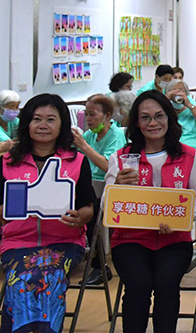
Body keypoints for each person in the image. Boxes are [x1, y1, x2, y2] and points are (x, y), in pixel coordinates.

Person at [0, 93, 96, 333]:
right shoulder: (9, 161)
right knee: (22, 277)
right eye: (36, 119)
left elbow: (88, 208)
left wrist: (80, 217)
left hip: (64, 242)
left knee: (49, 276)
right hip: (17, 242)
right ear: (27, 123)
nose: (43, 125)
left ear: (62, 124)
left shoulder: (76, 161)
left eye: (50, 119)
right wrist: (18, 208)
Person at [105, 91, 196, 333]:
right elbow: (106, 205)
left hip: (174, 239)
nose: (153, 123)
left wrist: (181, 220)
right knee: (138, 285)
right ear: (136, 122)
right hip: (130, 239)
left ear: (169, 118)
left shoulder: (189, 155)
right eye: (145, 117)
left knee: (167, 284)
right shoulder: (121, 158)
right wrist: (117, 185)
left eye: (159, 116)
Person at [73, 94, 127, 284]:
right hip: (91, 185)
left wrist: (84, 146)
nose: (88, 119)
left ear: (108, 115)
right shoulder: (90, 135)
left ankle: (99, 266)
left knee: (91, 212)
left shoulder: (116, 135)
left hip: (111, 186)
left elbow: (108, 167)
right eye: (86, 114)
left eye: (93, 114)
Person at [164, 79, 196, 149]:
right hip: (173, 148)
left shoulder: (193, 109)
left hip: (195, 147)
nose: (178, 93)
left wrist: (189, 105)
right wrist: (165, 100)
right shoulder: (164, 110)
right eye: (173, 90)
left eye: (181, 90)